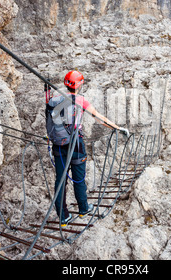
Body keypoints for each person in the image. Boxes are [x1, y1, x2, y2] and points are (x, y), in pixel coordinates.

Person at [47, 70, 129, 226]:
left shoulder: (55, 98)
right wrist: (117, 128)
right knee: (79, 178)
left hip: (58, 144)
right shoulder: (80, 100)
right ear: (79, 85)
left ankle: (63, 217)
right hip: (76, 144)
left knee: (60, 181)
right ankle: (83, 208)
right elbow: (100, 119)